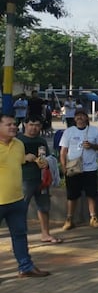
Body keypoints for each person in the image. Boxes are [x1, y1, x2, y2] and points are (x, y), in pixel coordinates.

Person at [0, 114, 50, 278]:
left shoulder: (19, 144)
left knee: (20, 235)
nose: (13, 127)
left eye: (15, 124)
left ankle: (26, 267)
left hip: (16, 200)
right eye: (9, 125)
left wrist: (36, 161)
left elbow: (18, 162)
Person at [60, 109, 98, 230]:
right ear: (74, 119)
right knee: (72, 195)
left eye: (82, 115)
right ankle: (69, 218)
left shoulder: (94, 130)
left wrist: (92, 146)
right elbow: (63, 151)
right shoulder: (68, 132)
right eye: (77, 116)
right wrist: (64, 167)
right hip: (73, 168)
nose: (79, 118)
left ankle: (93, 217)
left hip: (90, 168)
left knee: (91, 194)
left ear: (86, 118)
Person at [18, 116, 59, 243]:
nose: (34, 127)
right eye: (31, 124)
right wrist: (23, 158)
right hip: (25, 179)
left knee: (44, 207)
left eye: (37, 125)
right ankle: (19, 236)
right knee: (20, 208)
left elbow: (47, 156)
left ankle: (45, 234)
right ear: (25, 124)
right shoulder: (18, 141)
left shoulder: (42, 141)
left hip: (42, 179)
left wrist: (47, 162)